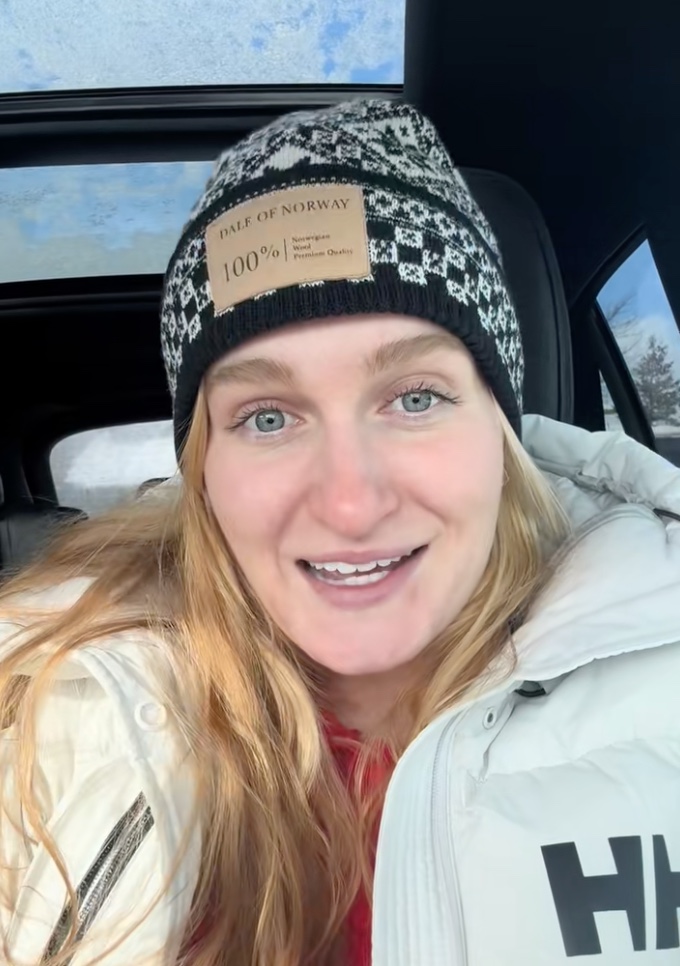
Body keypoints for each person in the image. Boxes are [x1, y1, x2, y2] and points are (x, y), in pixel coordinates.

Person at [1, 98, 679, 966]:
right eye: (268, 417)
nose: (351, 505)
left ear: (502, 436)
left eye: (416, 398)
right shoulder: (47, 724)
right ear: (202, 476)